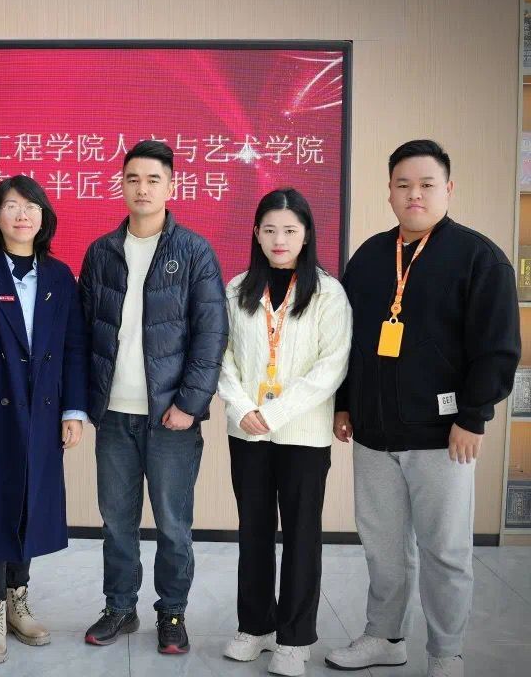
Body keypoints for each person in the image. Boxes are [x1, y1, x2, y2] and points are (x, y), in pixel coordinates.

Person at [325, 140, 520, 677]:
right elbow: (347, 341)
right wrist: (345, 404)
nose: (415, 194)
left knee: (445, 552)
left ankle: (445, 652)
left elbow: (497, 348)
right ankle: (385, 636)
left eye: (427, 184)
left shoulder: (479, 258)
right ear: (389, 192)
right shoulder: (369, 257)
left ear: (448, 189)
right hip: (373, 434)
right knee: (383, 547)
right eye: (403, 185)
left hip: (444, 436)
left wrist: (473, 418)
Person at [80, 139, 228, 654]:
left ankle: (172, 613)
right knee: (117, 522)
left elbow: (211, 335)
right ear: (121, 186)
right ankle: (120, 608)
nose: (142, 189)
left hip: (171, 418)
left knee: (173, 525)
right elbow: (83, 332)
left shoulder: (194, 251)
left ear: (171, 186)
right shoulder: (101, 252)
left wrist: (190, 403)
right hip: (114, 415)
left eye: (153, 180)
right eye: (133, 179)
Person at [0, 175, 88, 664]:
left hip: (41, 415)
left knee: (29, 504)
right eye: (11, 206)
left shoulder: (59, 278)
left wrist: (73, 410)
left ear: (44, 217)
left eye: (31, 206)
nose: (22, 215)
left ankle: (17, 599)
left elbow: (73, 348)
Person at [217, 188, 351, 676]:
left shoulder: (328, 292)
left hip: (304, 435)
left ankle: (294, 639)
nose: (279, 239)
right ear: (256, 233)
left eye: (290, 230)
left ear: (306, 234)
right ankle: (255, 627)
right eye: (270, 229)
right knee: (253, 531)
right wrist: (243, 407)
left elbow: (331, 366)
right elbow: (221, 356)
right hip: (247, 431)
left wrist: (274, 413)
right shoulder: (236, 289)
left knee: (300, 535)